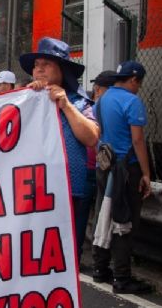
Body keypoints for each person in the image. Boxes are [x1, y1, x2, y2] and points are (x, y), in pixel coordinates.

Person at [20, 38, 99, 265]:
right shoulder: (24, 100)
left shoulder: (80, 103)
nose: (39, 69)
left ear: (63, 70)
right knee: (31, 257)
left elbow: (91, 137)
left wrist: (66, 105)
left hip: (70, 193)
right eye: (37, 65)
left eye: (47, 64)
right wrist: (22, 100)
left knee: (65, 258)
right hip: (31, 194)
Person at [91, 60, 154, 294]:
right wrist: (146, 174)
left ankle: (99, 268)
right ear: (134, 80)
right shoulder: (132, 101)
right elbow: (137, 140)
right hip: (126, 169)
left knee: (102, 214)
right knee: (123, 220)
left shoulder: (102, 99)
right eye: (139, 83)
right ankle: (122, 277)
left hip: (104, 165)